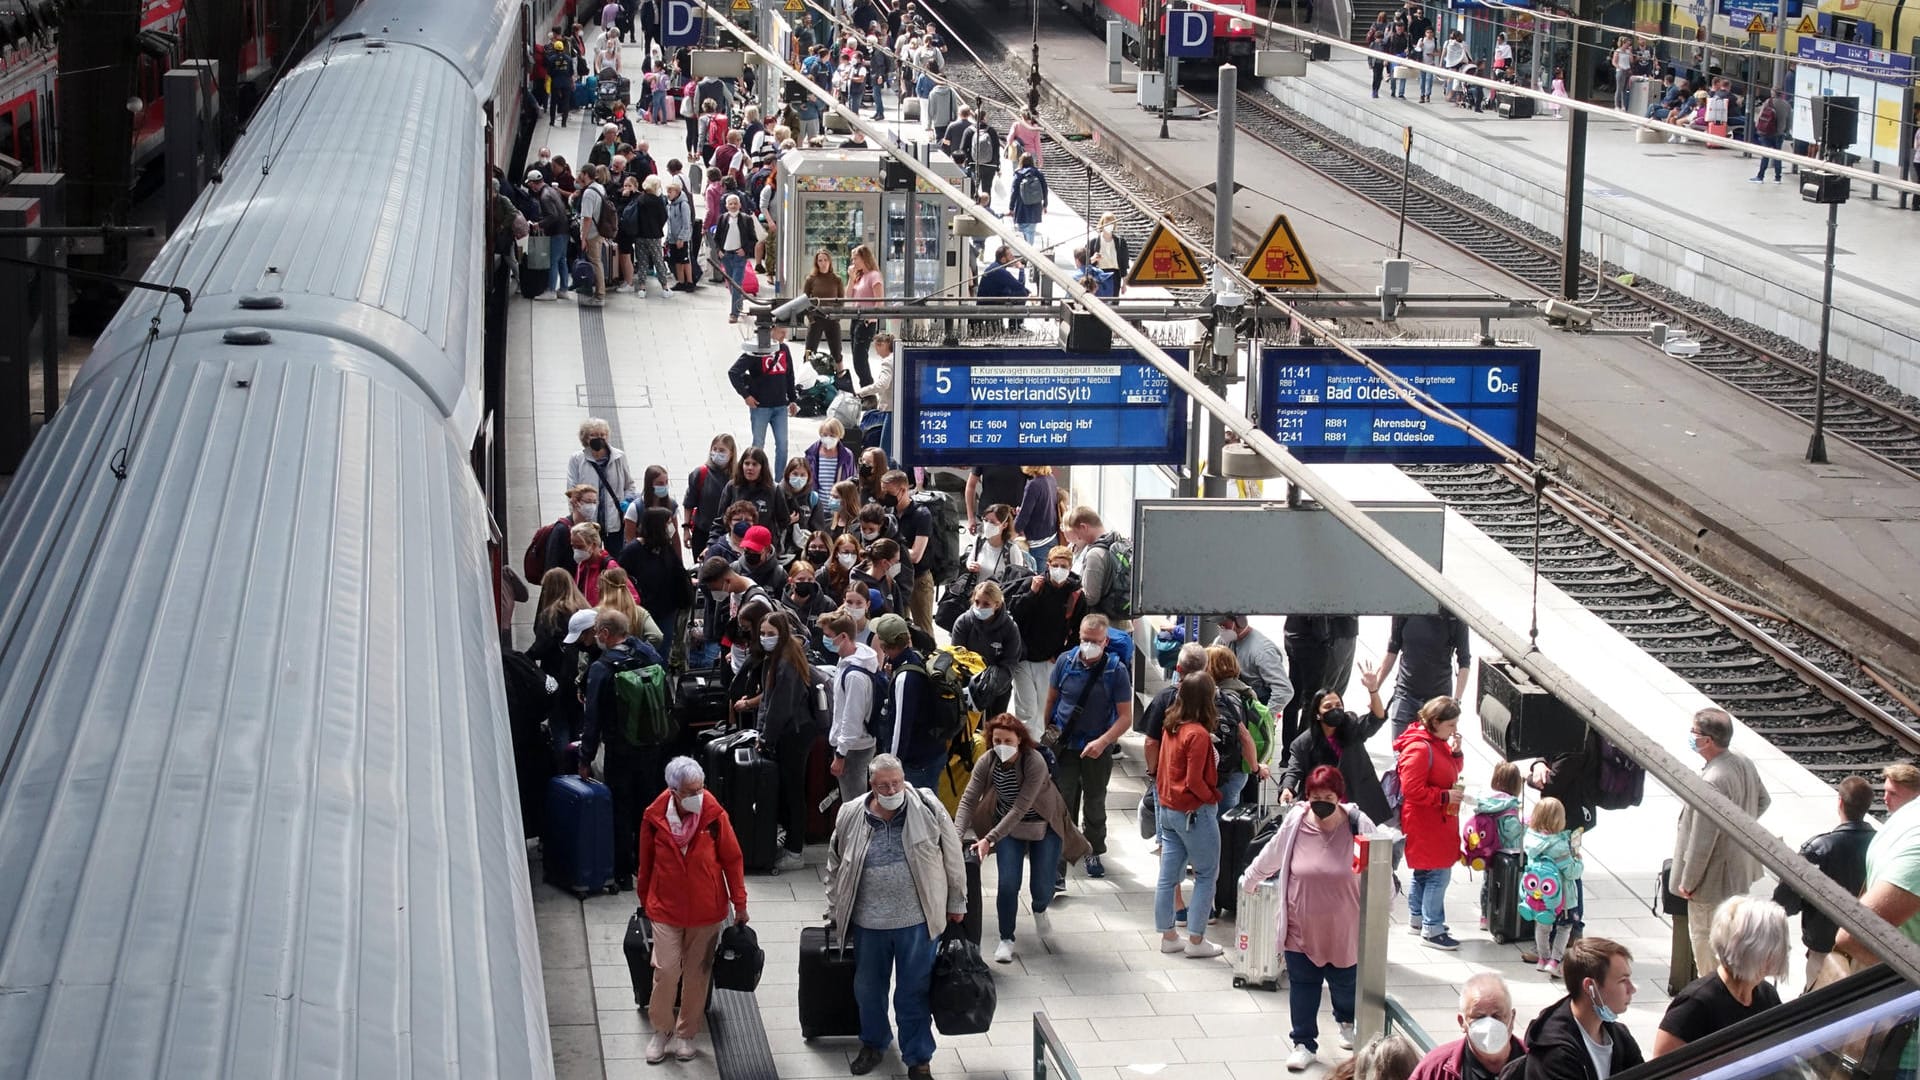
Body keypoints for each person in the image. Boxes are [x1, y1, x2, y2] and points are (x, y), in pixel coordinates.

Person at [824, 753, 969, 1080]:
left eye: (896, 783)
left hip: (916, 923)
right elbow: (834, 864)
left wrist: (958, 901)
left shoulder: (928, 808)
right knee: (868, 990)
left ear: (904, 780)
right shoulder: (850, 814)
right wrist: (834, 908)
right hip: (868, 924)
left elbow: (952, 856)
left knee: (913, 992)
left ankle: (918, 1059)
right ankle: (874, 1043)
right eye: (883, 786)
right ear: (871, 786)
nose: (891, 790)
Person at [1243, 765, 1374, 1069]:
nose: (1321, 802)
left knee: (1345, 984)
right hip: (1300, 928)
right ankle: (1303, 1042)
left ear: (1339, 796)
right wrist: (1249, 880)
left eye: (1327, 796)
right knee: (1303, 985)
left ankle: (1345, 1019)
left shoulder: (1358, 823)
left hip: (1344, 928)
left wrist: (1385, 901)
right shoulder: (1296, 821)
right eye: (1315, 796)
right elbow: (1273, 854)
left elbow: (1379, 864)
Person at [635, 756, 748, 1064]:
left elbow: (733, 859)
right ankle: (662, 1030)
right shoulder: (654, 817)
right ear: (673, 791)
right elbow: (646, 864)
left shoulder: (713, 815)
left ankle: (687, 1033)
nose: (698, 795)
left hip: (706, 910)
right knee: (667, 971)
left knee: (698, 975)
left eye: (701, 788)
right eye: (690, 791)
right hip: (665, 909)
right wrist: (645, 901)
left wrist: (740, 903)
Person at [957, 714, 1089, 964]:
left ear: (1020, 740)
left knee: (1043, 885)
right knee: (1007, 884)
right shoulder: (988, 761)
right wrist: (955, 837)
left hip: (1044, 825)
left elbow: (1020, 807)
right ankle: (1006, 938)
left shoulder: (1034, 761)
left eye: (1008, 740)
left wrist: (988, 839)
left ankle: (1040, 908)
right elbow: (968, 798)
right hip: (1009, 831)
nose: (1002, 746)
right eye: (997, 740)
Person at [1671, 707, 1771, 978]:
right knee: (1733, 945)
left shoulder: (1713, 780)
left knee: (1708, 950)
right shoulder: (1742, 762)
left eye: (1694, 732)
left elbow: (1702, 842)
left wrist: (1688, 882)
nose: (1691, 736)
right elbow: (1763, 800)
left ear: (1708, 740)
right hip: (1738, 874)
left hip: (1711, 884)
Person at [578, 609, 668, 892]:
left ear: (605, 633)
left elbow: (591, 719)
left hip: (620, 749)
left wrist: (585, 757)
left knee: (621, 808)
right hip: (651, 746)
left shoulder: (602, 669)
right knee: (648, 807)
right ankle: (648, 865)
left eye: (597, 631)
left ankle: (622, 873)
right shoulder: (648, 656)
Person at [1045, 614, 1134, 885]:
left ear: (1105, 641)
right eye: (1084, 639)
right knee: (1063, 802)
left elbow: (1125, 717)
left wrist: (1103, 742)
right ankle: (1058, 863)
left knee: (1095, 802)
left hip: (1097, 747)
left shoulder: (1116, 671)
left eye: (1094, 641)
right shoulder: (1065, 662)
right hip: (1066, 746)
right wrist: (1049, 731)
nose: (1088, 645)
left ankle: (1093, 849)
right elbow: (1051, 699)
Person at [1774, 774, 1873, 991]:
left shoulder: (1819, 848)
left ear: (1840, 802)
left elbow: (1785, 899)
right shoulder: (1882, 843)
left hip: (1825, 946)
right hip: (1868, 947)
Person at [1653, 896, 1788, 1055]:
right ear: (1750, 949)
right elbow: (1662, 1068)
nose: (1781, 954)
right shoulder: (1695, 1005)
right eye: (1773, 947)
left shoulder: (1767, 995)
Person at [1152, 671, 1225, 959]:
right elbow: (1195, 781)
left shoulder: (1171, 726)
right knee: (1207, 873)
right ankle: (1196, 939)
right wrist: (1212, 798)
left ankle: (1168, 935)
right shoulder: (1197, 734)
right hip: (1194, 812)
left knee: (1168, 876)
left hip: (1169, 810)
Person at [1395, 696, 1466, 949]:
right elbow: (1412, 789)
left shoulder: (1434, 742)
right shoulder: (1420, 748)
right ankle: (1432, 928)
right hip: (1427, 821)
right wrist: (1444, 795)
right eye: (1451, 725)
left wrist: (1456, 753)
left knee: (1424, 871)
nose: (1454, 730)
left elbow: (1449, 770)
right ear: (1435, 722)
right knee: (1438, 873)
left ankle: (1418, 919)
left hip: (1434, 819)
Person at [1518, 938, 1643, 1080]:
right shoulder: (1555, 1054)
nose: (1632, 989)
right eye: (1622, 981)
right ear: (1590, 987)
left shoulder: (1620, 1037)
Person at [1278, 675, 1391, 821]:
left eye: (1338, 705)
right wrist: (1288, 788)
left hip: (1357, 800)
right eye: (1328, 707)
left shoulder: (1351, 725)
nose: (1335, 710)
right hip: (1324, 807)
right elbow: (1294, 769)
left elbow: (1377, 718)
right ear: (1317, 714)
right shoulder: (1303, 743)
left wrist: (1373, 690)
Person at [755, 611, 815, 872]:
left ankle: (795, 849)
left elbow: (780, 706)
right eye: (763, 633)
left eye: (771, 634)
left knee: (793, 791)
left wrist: (766, 737)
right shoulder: (781, 656)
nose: (765, 638)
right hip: (792, 731)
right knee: (791, 789)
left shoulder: (786, 661)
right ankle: (792, 842)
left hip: (794, 734)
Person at [1010, 546, 1083, 739]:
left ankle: (1039, 747)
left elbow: (1077, 630)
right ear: (1048, 565)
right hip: (1024, 657)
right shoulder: (1033, 586)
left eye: (1064, 566)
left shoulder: (1075, 595)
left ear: (1070, 567)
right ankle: (1026, 746)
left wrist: (1060, 655)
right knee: (1026, 707)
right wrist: (1032, 593)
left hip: (1050, 659)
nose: (1059, 569)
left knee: (1043, 707)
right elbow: (1016, 613)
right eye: (1055, 565)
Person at [869, 613, 947, 792]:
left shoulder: (905, 678)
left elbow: (900, 728)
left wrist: (891, 767)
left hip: (917, 763)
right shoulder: (915, 658)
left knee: (919, 814)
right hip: (931, 753)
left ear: (884, 645)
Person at [1407, 974, 1524, 1080]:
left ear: (1512, 1018)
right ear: (1462, 1022)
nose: (1490, 1025)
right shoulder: (1435, 1069)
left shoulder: (1537, 1062)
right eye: (1479, 1017)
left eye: (1497, 1016)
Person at [822, 609, 882, 805]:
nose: (825, 640)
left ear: (844, 637)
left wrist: (841, 754)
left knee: (853, 804)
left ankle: (855, 835)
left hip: (853, 749)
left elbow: (852, 717)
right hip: (853, 745)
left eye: (829, 636)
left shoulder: (855, 676)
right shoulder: (847, 661)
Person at [1378, 611, 1471, 737]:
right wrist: (1375, 688)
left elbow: (1464, 661)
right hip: (1406, 694)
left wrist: (1456, 701)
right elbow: (1392, 650)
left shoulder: (1453, 616)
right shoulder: (1406, 608)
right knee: (1401, 753)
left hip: (1437, 701)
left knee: (1432, 754)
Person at [1203, 645, 1271, 812]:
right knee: (1228, 816)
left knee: (1220, 821)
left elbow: (1242, 735)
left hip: (1224, 771)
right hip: (1238, 770)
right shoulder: (1244, 691)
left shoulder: (1222, 697)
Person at [619, 507, 692, 662]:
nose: (671, 527)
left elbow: (677, 570)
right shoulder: (632, 552)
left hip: (666, 611)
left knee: (662, 652)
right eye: (668, 523)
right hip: (641, 613)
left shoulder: (665, 548)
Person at [1523, 797, 1583, 977]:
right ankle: (1555, 961)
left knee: (1542, 927)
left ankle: (1542, 958)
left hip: (1539, 895)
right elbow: (1572, 873)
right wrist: (1578, 860)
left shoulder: (1530, 839)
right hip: (1563, 897)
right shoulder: (1559, 846)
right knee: (1564, 928)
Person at [879, 470, 937, 632]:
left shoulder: (921, 514)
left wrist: (891, 553)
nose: (885, 496)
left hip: (919, 580)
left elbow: (916, 555)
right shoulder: (887, 514)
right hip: (895, 580)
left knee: (923, 630)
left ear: (903, 490)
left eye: (889, 492)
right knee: (897, 628)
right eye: (883, 491)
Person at [567, 417, 639, 544]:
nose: (599, 438)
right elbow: (572, 490)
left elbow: (629, 485)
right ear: (585, 438)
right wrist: (576, 516)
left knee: (616, 559)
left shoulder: (619, 457)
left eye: (602, 435)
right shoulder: (577, 459)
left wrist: (626, 502)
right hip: (588, 523)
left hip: (614, 522)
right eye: (593, 435)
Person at [1060, 507, 1129, 629]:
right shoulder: (1116, 542)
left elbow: (1090, 597)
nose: (1079, 538)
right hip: (1122, 622)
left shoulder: (1095, 554)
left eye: (1078, 533)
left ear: (1084, 527)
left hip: (1103, 627)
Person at [1214, 614, 1292, 712]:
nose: (1221, 630)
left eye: (1224, 626)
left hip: (1257, 702)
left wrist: (1265, 717)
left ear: (1240, 623)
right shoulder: (1223, 641)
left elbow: (1284, 690)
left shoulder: (1262, 651)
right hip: (1235, 699)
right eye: (1219, 626)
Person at [684, 434, 737, 550]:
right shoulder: (700, 473)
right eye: (714, 449)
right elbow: (689, 503)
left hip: (729, 535)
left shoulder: (737, 477)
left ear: (731, 453)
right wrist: (686, 529)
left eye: (722, 450)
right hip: (702, 533)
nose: (717, 453)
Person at [527, 171, 573, 298]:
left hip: (556, 231)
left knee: (553, 261)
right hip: (564, 230)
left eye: (531, 185)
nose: (531, 188)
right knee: (562, 260)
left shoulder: (544, 196)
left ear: (533, 184)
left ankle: (551, 290)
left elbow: (552, 215)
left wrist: (539, 224)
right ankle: (563, 289)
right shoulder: (551, 191)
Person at [714, 192, 758, 321]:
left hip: (739, 257)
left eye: (735, 203)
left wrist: (745, 250)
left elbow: (753, 238)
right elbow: (717, 238)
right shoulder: (722, 218)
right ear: (726, 206)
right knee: (731, 283)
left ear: (740, 205)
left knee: (736, 283)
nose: (733, 206)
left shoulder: (746, 219)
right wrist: (719, 250)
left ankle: (734, 313)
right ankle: (738, 302)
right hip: (726, 255)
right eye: (730, 204)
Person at [846, 244, 885, 386]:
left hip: (866, 321)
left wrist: (870, 319)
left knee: (860, 358)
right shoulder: (859, 276)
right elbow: (849, 295)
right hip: (855, 319)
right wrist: (851, 277)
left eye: (855, 258)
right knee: (856, 358)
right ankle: (866, 388)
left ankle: (868, 388)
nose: (853, 262)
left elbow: (879, 301)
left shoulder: (874, 276)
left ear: (864, 258)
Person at [964, 503, 1031, 585]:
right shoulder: (980, 541)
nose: (987, 525)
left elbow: (1016, 579)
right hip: (978, 592)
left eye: (993, 522)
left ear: (1004, 525)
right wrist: (970, 565)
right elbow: (970, 559)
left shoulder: (1011, 549)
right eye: (985, 520)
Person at [802, 249, 847, 369]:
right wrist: (811, 318)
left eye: (825, 260)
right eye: (820, 260)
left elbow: (841, 301)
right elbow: (804, 301)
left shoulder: (837, 279)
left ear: (830, 261)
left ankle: (841, 379)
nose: (823, 263)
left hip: (832, 319)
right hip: (816, 318)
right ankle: (805, 378)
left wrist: (837, 318)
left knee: (837, 352)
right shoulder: (811, 279)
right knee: (810, 352)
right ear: (816, 262)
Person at [570, 522, 623, 605]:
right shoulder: (582, 565)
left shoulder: (609, 566)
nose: (576, 551)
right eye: (573, 546)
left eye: (580, 547)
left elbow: (631, 598)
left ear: (593, 545)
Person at [1015, 465, 1058, 551]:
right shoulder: (1051, 478)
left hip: (1037, 543)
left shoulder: (1033, 485)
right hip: (1052, 537)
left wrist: (1012, 531)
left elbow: (1024, 516)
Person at [1009, 153, 1047, 246]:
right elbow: (1045, 190)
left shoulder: (1018, 174)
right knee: (1031, 231)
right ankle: (1030, 252)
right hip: (1035, 206)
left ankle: (1025, 254)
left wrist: (1011, 207)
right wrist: (1045, 205)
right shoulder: (1038, 174)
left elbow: (1014, 192)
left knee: (1022, 231)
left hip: (1021, 207)